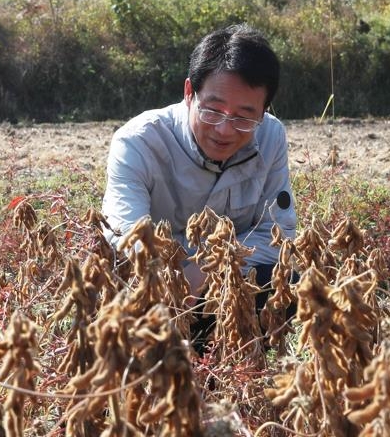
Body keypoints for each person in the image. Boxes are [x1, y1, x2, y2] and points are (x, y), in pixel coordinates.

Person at [101, 23, 297, 325]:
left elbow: (277, 235)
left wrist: (206, 267)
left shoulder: (271, 136)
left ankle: (237, 366)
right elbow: (124, 233)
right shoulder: (139, 141)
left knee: (288, 284)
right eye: (213, 110)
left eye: (244, 118)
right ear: (189, 92)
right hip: (153, 292)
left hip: (226, 286)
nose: (224, 129)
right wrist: (177, 276)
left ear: (264, 110)